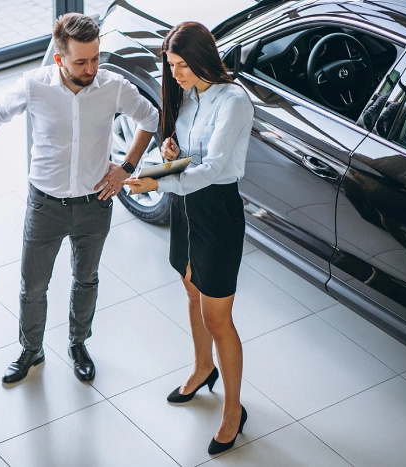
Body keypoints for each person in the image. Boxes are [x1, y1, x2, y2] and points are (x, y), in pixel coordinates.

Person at [0, 13, 158, 384]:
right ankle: (31, 350)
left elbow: (151, 118)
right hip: (45, 206)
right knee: (33, 287)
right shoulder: (34, 86)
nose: (91, 68)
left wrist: (126, 166)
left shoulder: (113, 86)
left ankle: (79, 344)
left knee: (86, 279)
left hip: (96, 205)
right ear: (59, 59)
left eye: (95, 58)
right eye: (81, 61)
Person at [124, 22, 253, 455]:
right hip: (187, 207)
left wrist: (157, 183)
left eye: (180, 65)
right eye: (171, 66)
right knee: (190, 288)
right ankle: (202, 368)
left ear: (200, 59)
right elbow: (190, 160)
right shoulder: (189, 95)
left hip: (217, 211)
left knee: (218, 318)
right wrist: (168, 159)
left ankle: (233, 411)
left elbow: (214, 170)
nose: (174, 74)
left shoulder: (232, 101)